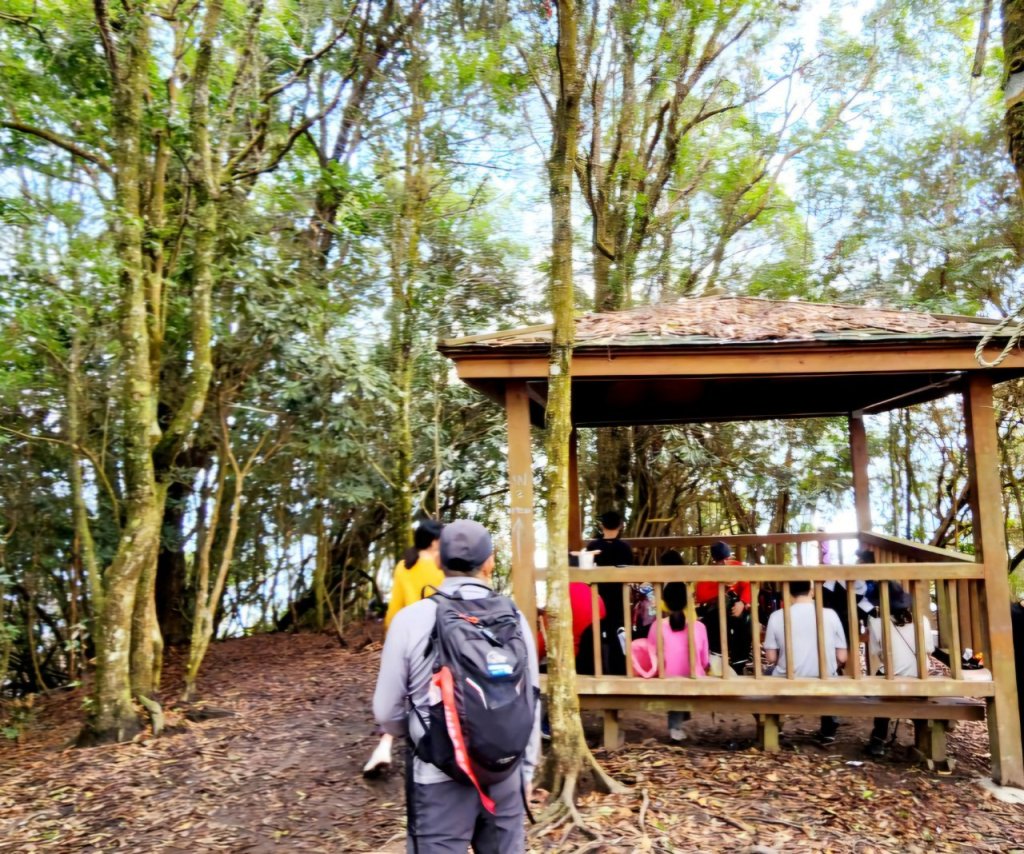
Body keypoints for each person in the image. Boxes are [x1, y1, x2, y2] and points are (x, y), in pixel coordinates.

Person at [372, 520, 540, 854]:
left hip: (438, 776)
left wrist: (422, 733)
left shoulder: (411, 620)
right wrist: (526, 769)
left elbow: (386, 711)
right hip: (504, 772)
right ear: (490, 562)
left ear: (439, 561)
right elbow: (531, 698)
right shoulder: (514, 618)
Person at [365, 520, 444, 777]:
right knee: (431, 692)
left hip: (407, 634)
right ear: (434, 541)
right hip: (437, 636)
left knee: (401, 692)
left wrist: (392, 637)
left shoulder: (404, 566)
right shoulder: (441, 565)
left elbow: (395, 608)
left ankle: (384, 747)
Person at [764, 580, 848, 745]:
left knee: (766, 675)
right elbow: (842, 657)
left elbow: (771, 658)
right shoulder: (830, 614)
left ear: (789, 593)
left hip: (788, 682)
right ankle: (828, 730)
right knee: (833, 673)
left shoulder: (777, 616)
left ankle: (775, 726)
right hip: (824, 683)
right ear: (812, 591)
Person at [864, 582, 934, 757]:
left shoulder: (876, 623)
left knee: (882, 682)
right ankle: (922, 739)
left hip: (892, 683)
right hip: (919, 678)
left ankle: (878, 739)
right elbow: (929, 650)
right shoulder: (922, 620)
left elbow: (877, 654)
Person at [586, 511, 634, 676]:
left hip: (597, 597)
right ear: (620, 526)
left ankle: (599, 667)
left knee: (599, 631)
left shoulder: (592, 547)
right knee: (619, 631)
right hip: (620, 597)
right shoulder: (625, 548)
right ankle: (620, 667)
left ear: (601, 526)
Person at [660, 581, 709, 742]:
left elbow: (653, 658)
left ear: (664, 602)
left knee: (673, 677)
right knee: (689, 676)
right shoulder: (699, 627)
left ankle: (677, 723)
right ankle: (678, 721)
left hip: (664, 681)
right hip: (694, 680)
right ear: (689, 601)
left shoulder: (657, 627)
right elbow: (705, 661)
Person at [695, 542, 752, 670]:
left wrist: (742, 602)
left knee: (747, 622)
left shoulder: (738, 566)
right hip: (716, 612)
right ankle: (716, 657)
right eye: (721, 561)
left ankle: (739, 662)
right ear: (715, 560)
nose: (725, 563)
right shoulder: (708, 573)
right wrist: (721, 586)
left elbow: (748, 585)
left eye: (727, 559)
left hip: (737, 609)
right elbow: (701, 595)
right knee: (713, 620)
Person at [537, 581, 607, 675]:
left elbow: (537, 649)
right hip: (597, 665)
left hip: (570, 666)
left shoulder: (560, 597)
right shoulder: (592, 593)